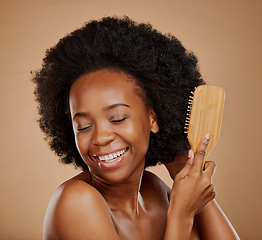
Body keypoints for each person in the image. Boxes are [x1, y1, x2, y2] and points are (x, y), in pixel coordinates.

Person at [33, 16, 239, 239]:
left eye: (118, 118)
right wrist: (182, 214)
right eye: (83, 126)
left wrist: (186, 174)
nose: (100, 138)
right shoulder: (76, 202)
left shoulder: (155, 191)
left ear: (153, 118)